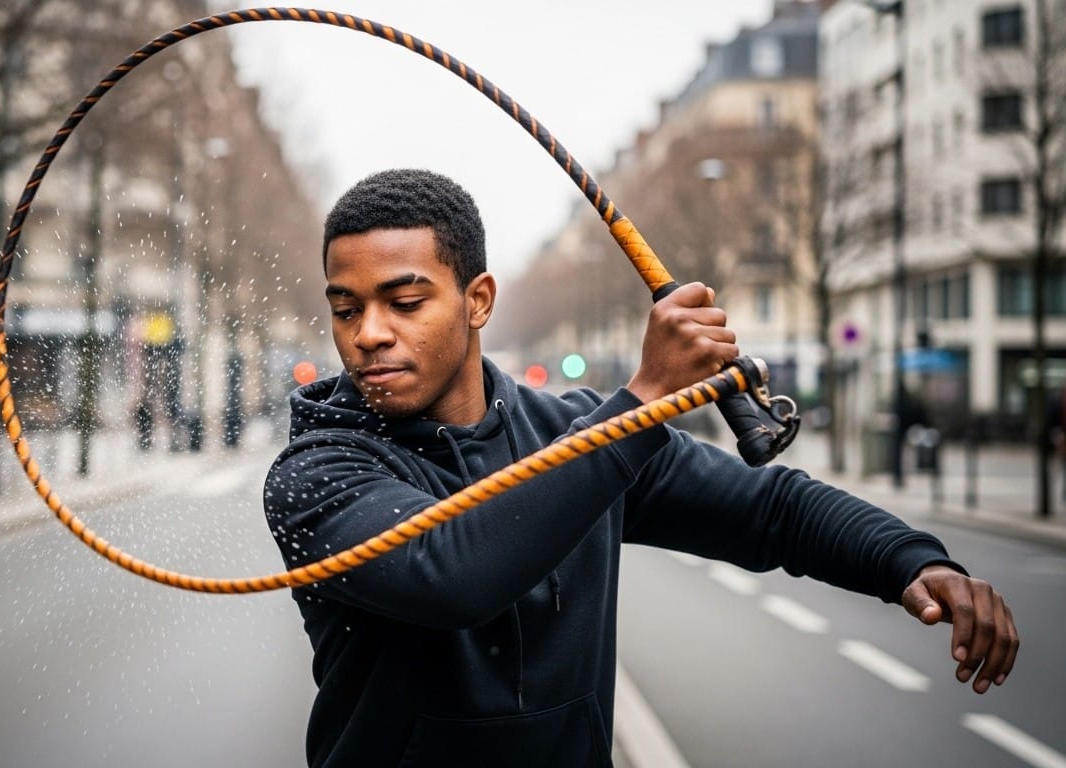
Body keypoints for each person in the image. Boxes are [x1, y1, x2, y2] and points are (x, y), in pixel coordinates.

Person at [262, 169, 1018, 767]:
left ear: (478, 300)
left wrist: (910, 560)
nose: (369, 333)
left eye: (403, 301)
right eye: (346, 308)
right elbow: (452, 574)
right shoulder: (314, 473)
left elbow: (772, 510)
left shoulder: (572, 432)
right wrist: (646, 399)